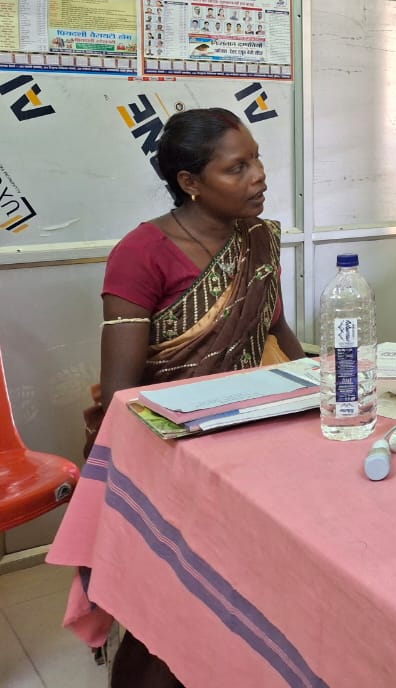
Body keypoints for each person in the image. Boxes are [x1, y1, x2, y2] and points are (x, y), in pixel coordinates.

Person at [91, 107, 303, 687]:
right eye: (237, 168)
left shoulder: (259, 238)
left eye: (257, 159)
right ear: (190, 182)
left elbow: (274, 329)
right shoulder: (141, 252)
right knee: (177, 590)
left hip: (252, 425)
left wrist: (320, 384)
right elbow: (122, 396)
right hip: (169, 441)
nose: (259, 175)